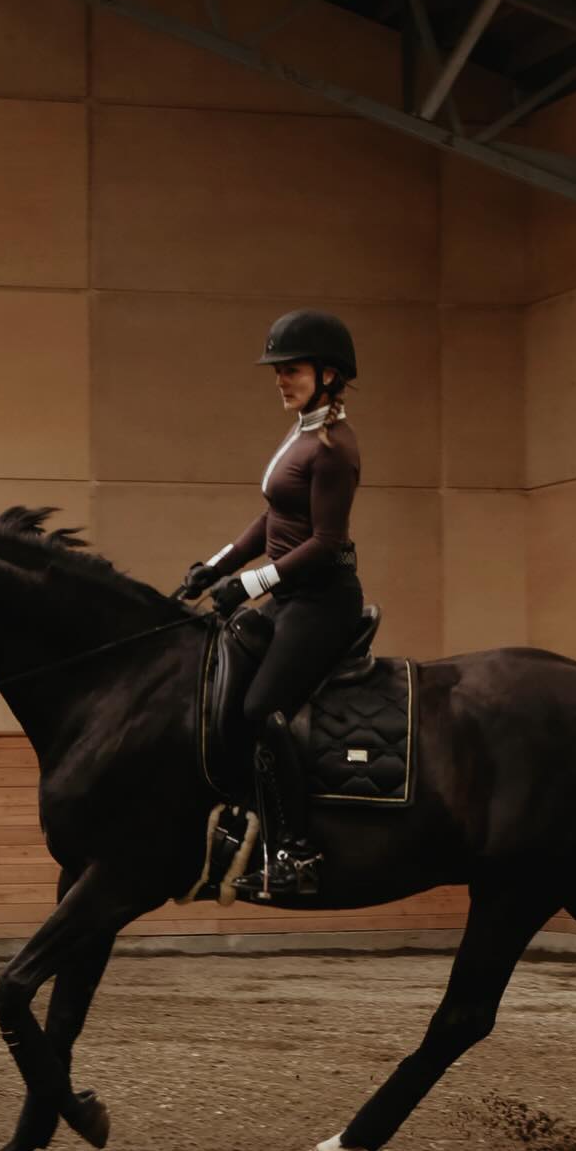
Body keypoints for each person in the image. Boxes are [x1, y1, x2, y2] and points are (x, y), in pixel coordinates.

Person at [180, 309, 364, 898]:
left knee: (261, 708)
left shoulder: (334, 448)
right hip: (289, 598)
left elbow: (324, 542)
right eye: (277, 371)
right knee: (222, 682)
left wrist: (251, 584)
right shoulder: (303, 433)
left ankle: (298, 854)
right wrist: (216, 566)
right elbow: (274, 519)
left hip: (322, 602)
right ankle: (236, 828)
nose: (280, 381)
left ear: (329, 374)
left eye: (292, 370)